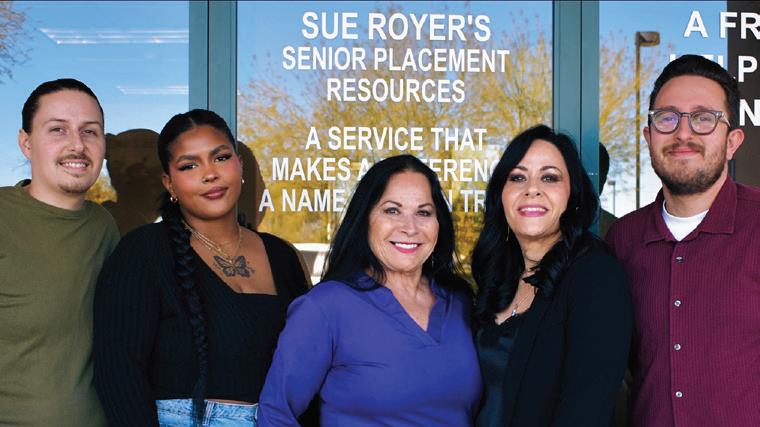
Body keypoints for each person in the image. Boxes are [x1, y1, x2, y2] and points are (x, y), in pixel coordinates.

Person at [93, 109, 310, 426]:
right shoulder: (143, 252)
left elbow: (307, 364)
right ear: (169, 183)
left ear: (240, 165)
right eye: (189, 165)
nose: (210, 174)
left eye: (220, 158)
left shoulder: (281, 255)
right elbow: (118, 372)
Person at [258, 154, 482, 426]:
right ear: (365, 219)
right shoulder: (325, 307)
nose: (410, 228)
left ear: (439, 224)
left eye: (423, 212)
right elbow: (276, 414)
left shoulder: (459, 304)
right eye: (392, 210)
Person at [606, 54, 759, 426]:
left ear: (732, 141)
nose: (684, 133)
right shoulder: (623, 239)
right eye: (667, 118)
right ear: (649, 137)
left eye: (704, 118)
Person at [472, 124, 633, 426]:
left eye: (549, 177)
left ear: (573, 194)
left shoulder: (596, 276)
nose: (532, 189)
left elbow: (586, 412)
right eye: (517, 177)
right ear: (501, 194)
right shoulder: (499, 275)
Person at [0, 78, 119, 426]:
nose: (77, 145)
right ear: (26, 143)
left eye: (90, 131)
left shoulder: (104, 227)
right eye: (58, 130)